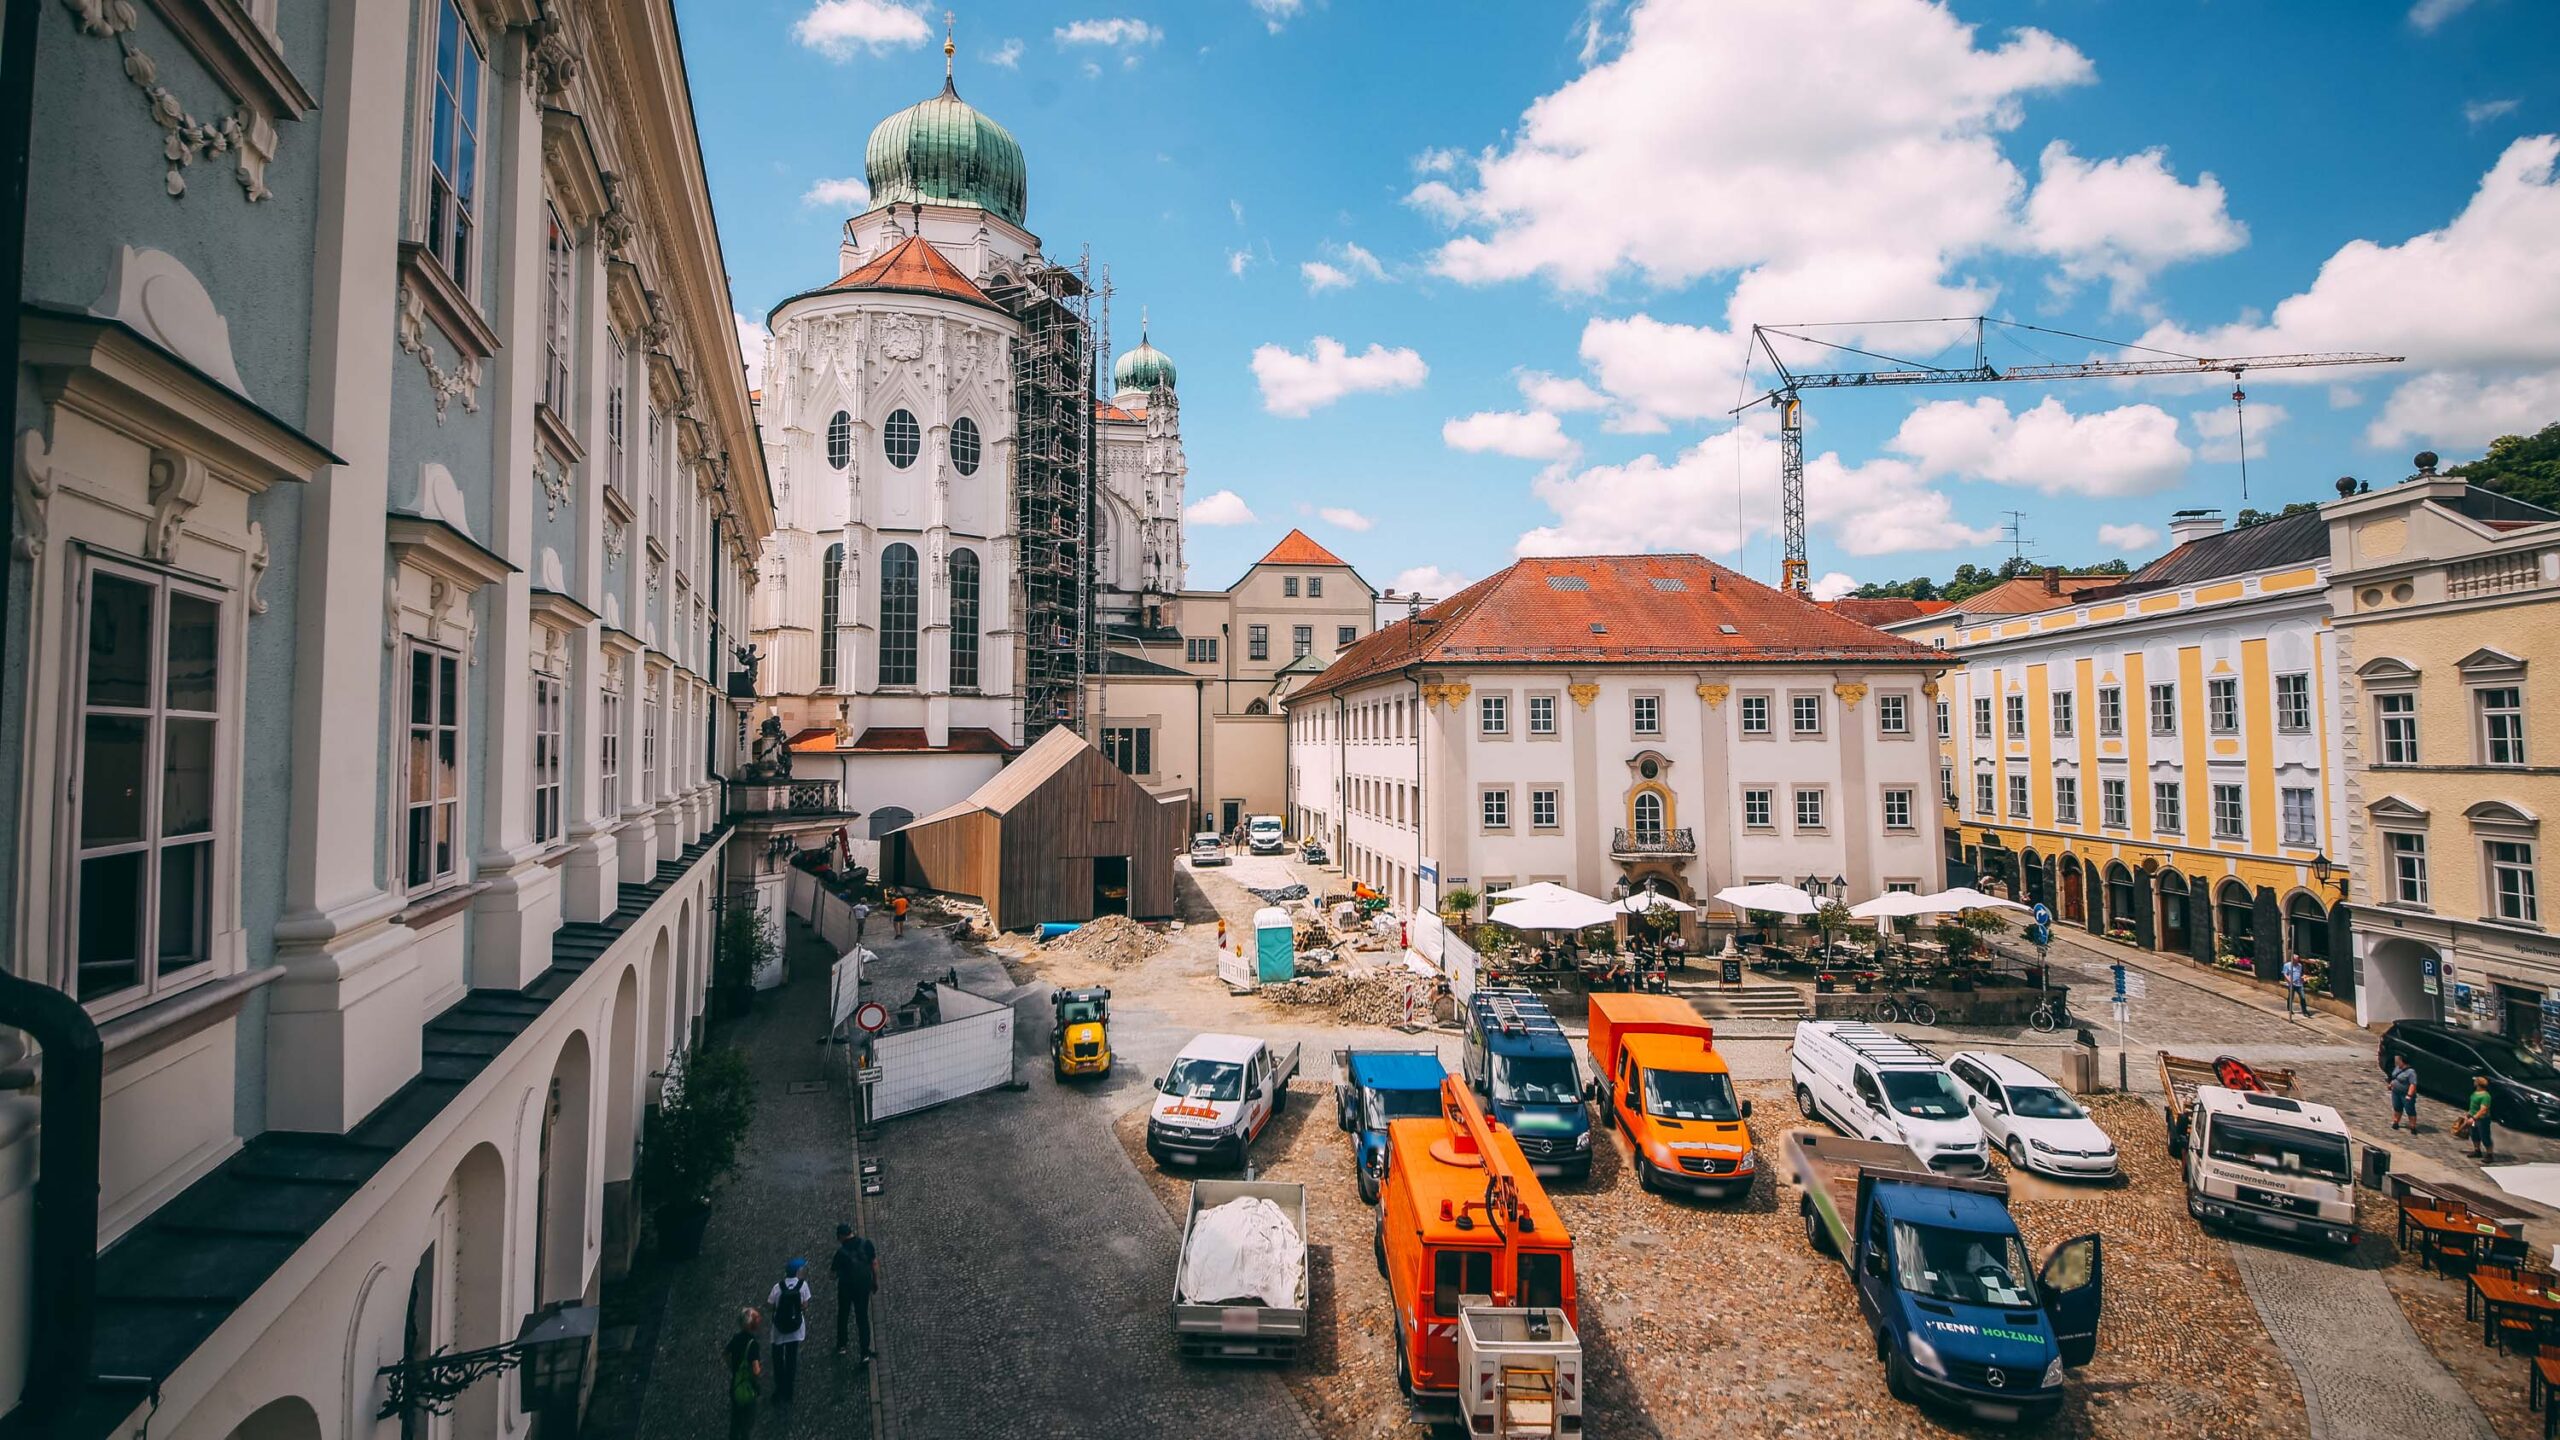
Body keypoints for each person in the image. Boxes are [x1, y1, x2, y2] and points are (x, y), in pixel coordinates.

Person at [766, 1258, 813, 1404]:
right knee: (791, 1359)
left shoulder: (777, 1287)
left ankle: (779, 1388)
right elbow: (805, 1305)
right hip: (795, 1329)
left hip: (779, 1329)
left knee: (778, 1359)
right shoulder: (803, 1285)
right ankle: (789, 1391)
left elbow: (770, 1306)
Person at [832, 1220, 879, 1361]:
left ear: (841, 1236)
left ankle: (842, 1344)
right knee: (862, 1318)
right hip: (863, 1287)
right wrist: (875, 1281)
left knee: (843, 1314)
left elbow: (832, 1274)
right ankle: (865, 1351)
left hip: (846, 1288)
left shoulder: (841, 1252)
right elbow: (874, 1263)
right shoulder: (866, 1244)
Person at [723, 1307, 762, 1440]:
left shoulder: (736, 1338)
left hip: (735, 1383)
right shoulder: (753, 1344)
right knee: (747, 1420)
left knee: (735, 1417)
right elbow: (756, 1370)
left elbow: (725, 1354)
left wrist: (733, 1368)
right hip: (747, 1386)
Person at [2468, 1076, 2499, 1161]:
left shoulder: (2486, 1096)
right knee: (2474, 1134)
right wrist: (2469, 1114)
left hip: (2482, 1120)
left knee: (2485, 1136)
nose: (2474, 1082)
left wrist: (2474, 1118)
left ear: (2478, 1084)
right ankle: (2477, 1151)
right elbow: (2473, 1105)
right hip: (2473, 1117)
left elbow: (2483, 1110)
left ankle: (2489, 1155)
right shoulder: (2475, 1093)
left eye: (2475, 1081)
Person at [2388, 1052, 2420, 1132]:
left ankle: (2412, 1126)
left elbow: (2413, 1084)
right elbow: (2395, 1077)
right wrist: (2391, 1084)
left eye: (2398, 1060)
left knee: (2409, 1110)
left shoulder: (2411, 1072)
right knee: (2397, 1107)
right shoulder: (2397, 1068)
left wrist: (2409, 1095)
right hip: (2396, 1092)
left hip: (2405, 1094)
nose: (2396, 1061)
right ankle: (2396, 1122)